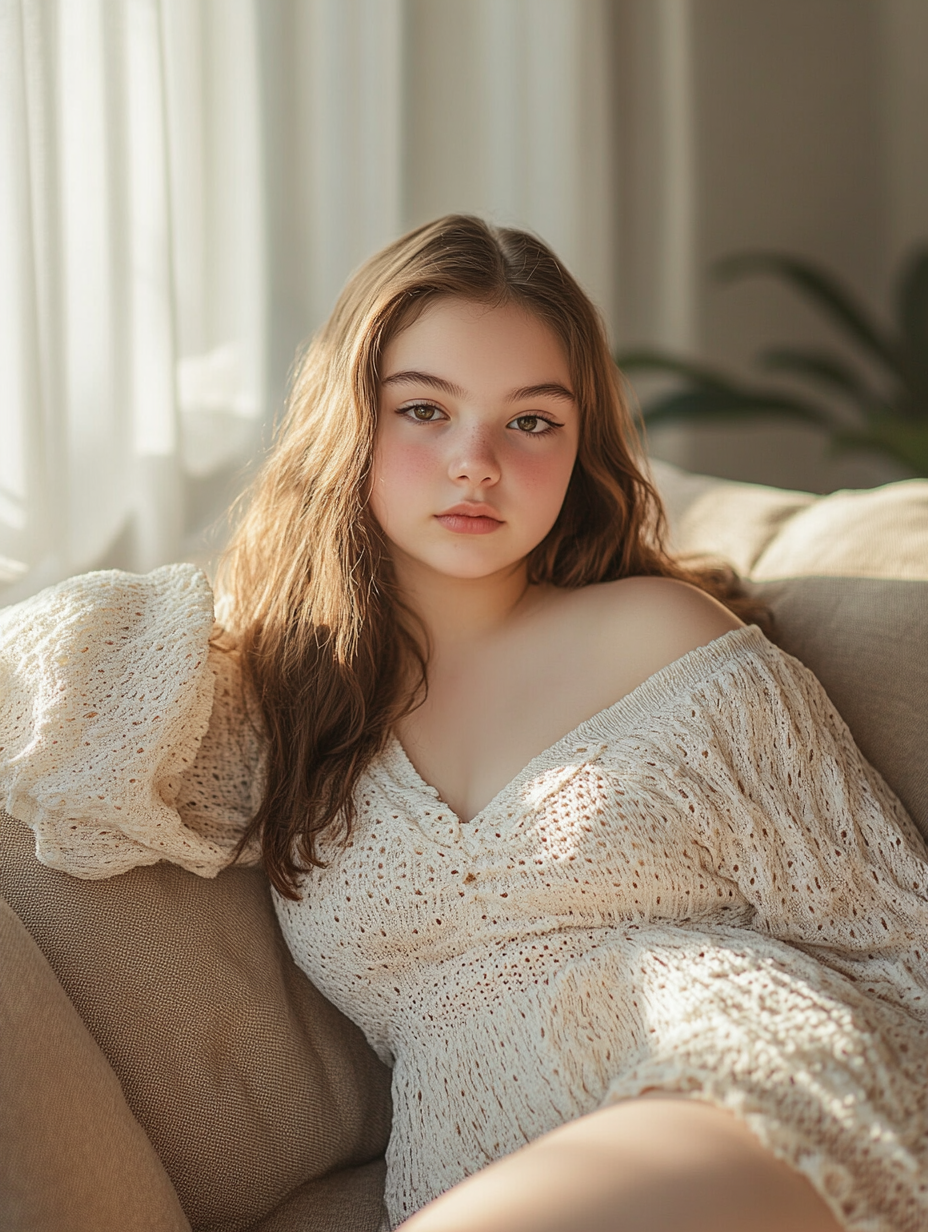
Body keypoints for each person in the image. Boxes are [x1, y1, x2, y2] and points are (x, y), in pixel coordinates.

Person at [2, 215, 927, 1231]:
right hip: (467, 1153)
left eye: (530, 421)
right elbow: (49, 699)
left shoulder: (658, 635)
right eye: (424, 409)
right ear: (349, 420)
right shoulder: (286, 699)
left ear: (580, 447)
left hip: (721, 1061)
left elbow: (893, 927)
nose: (474, 461)